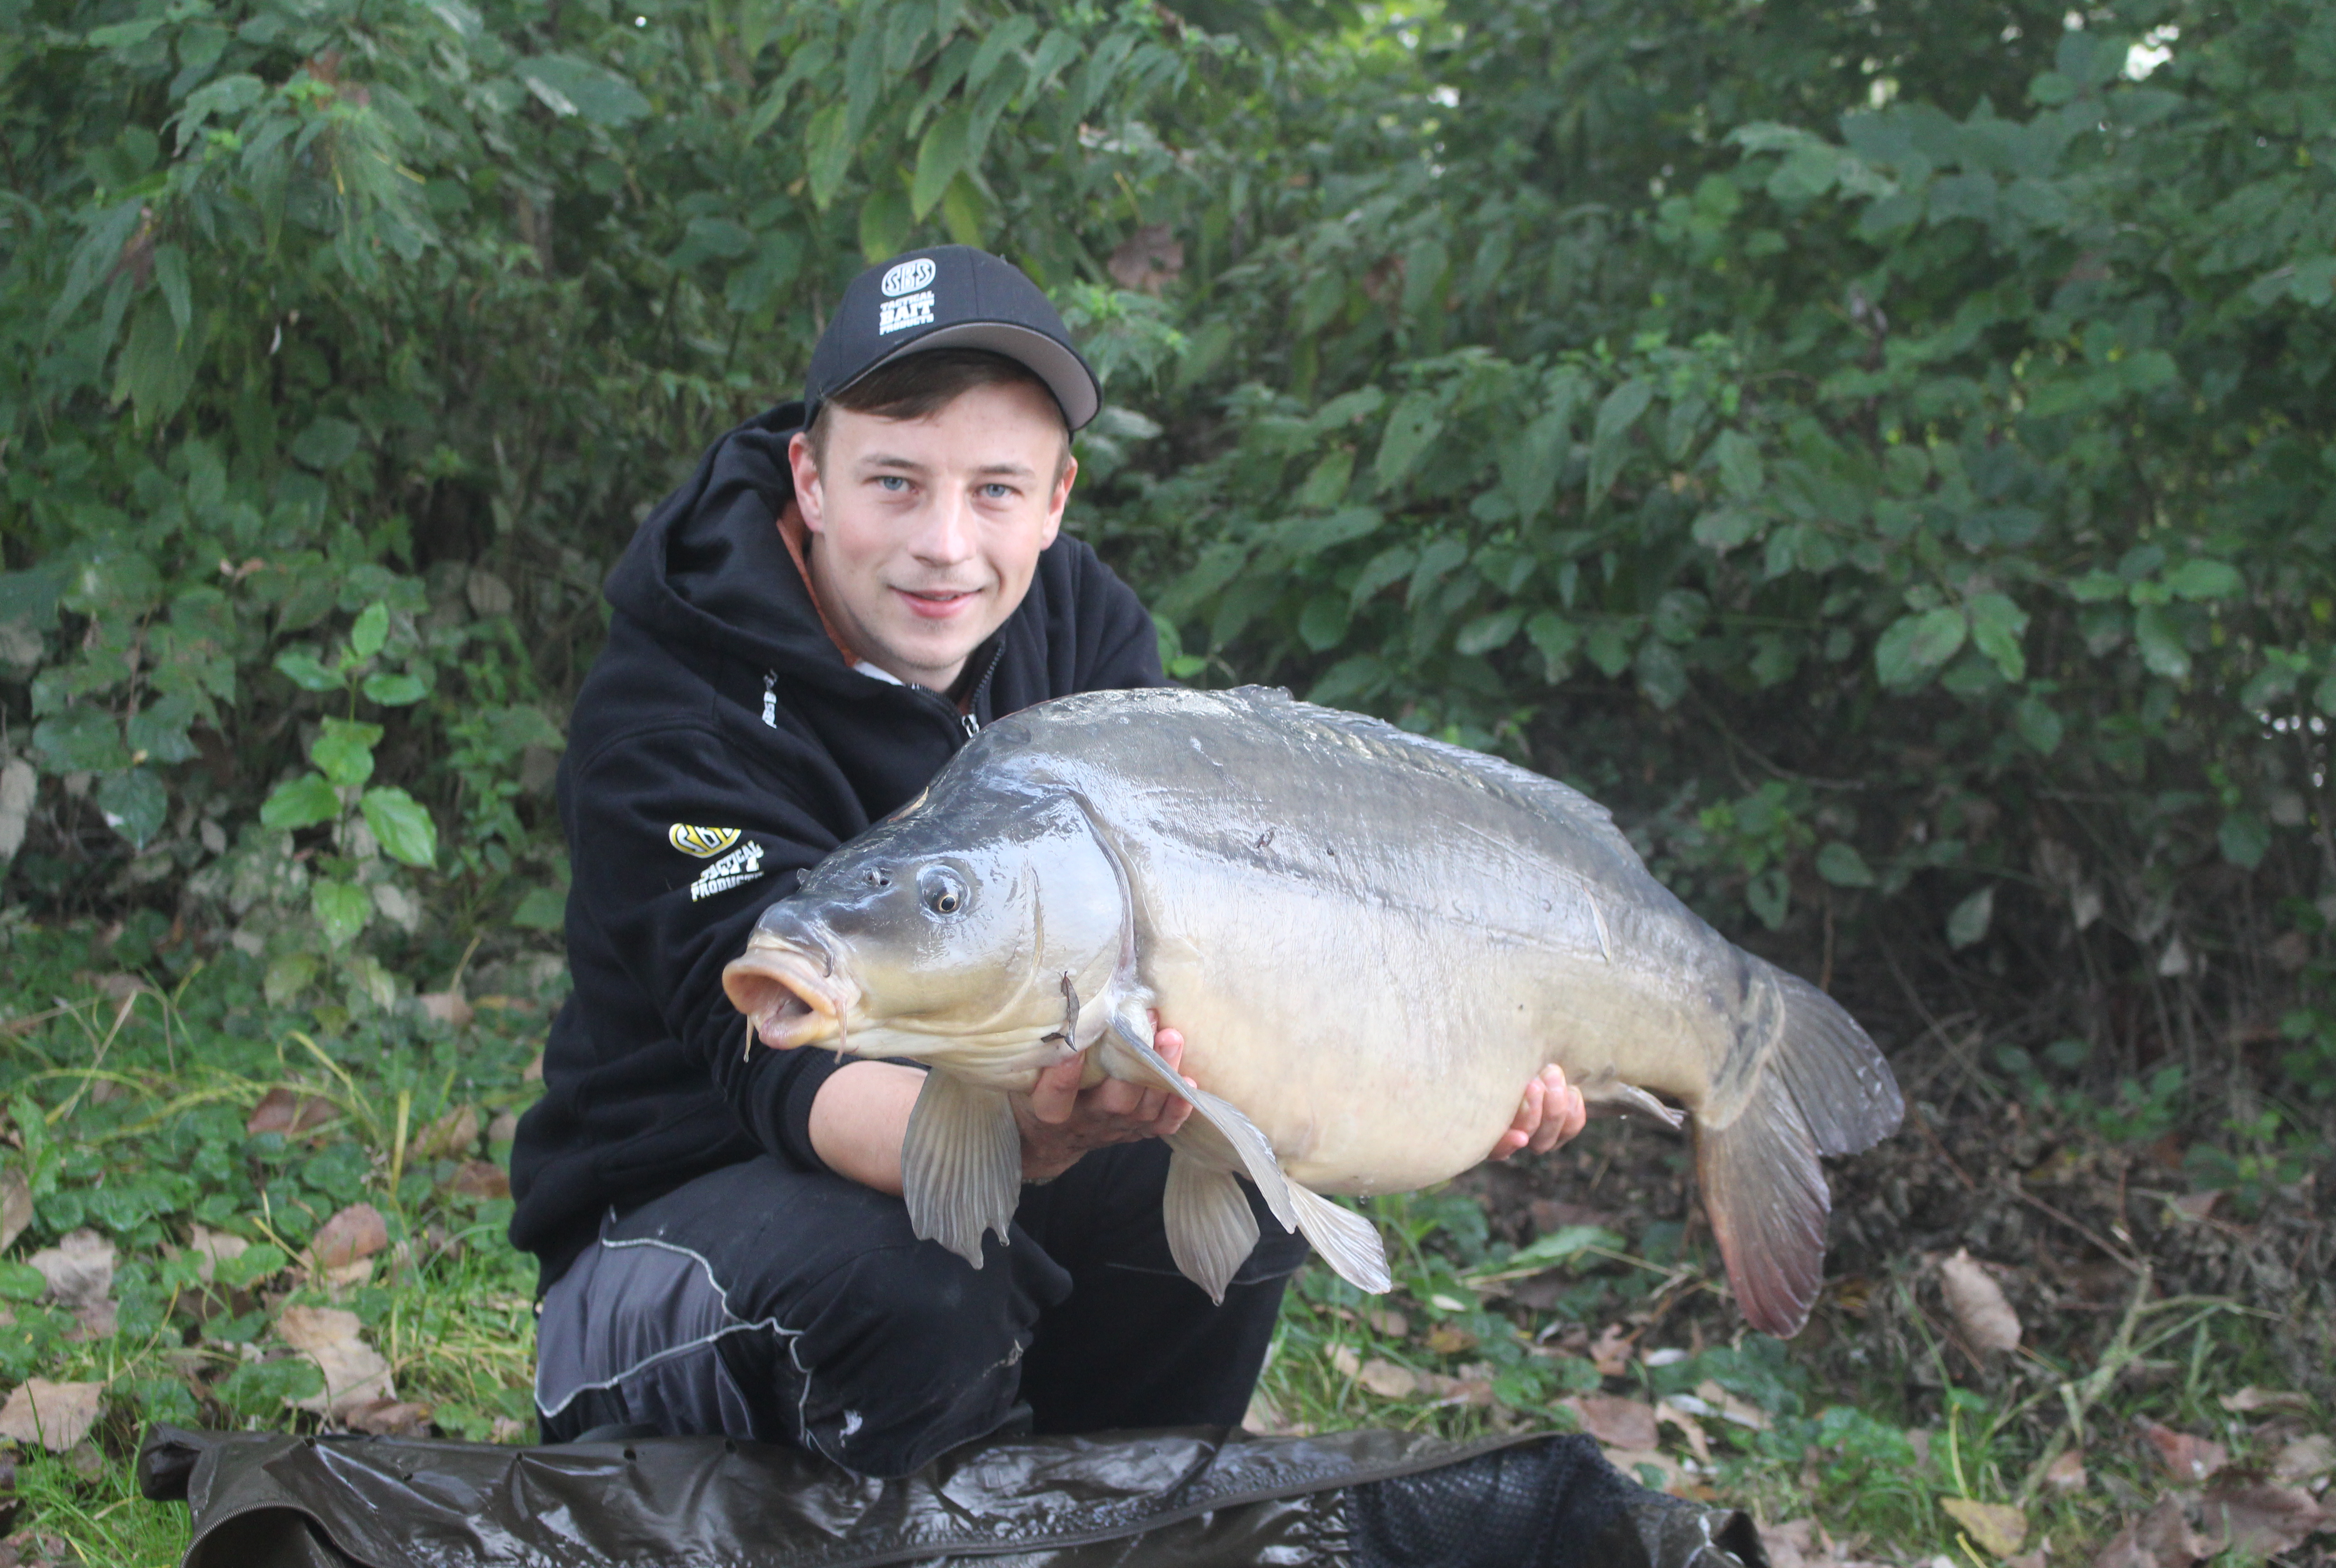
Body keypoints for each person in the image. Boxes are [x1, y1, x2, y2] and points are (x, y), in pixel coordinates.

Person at [507, 245, 1587, 1478]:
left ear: (1058, 498)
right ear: (810, 478)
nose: (946, 546)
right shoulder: (674, 709)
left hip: (971, 1152)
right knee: (912, 1271)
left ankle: (1096, 1526)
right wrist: (1040, 1133)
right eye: (895, 484)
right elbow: (778, 1070)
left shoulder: (1078, 629)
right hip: (658, 1270)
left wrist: (1476, 1055)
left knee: (1230, 1191)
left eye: (997, 492)